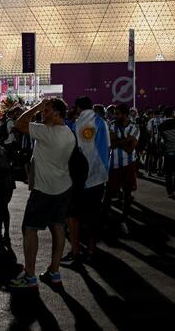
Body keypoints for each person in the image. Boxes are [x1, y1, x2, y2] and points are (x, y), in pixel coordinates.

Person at [9, 99, 75, 288]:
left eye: (46, 111)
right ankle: (54, 272)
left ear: (57, 113)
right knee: (58, 227)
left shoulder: (47, 132)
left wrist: (37, 106)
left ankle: (30, 276)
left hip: (43, 190)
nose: (42, 114)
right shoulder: (69, 134)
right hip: (63, 187)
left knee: (30, 229)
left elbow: (19, 123)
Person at [61, 96, 109, 266]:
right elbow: (106, 148)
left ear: (78, 108)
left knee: (73, 216)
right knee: (93, 216)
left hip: (79, 177)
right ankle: (92, 249)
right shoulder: (102, 123)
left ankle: (75, 252)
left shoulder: (75, 124)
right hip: (99, 176)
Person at [106, 103, 140, 235]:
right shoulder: (112, 125)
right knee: (109, 193)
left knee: (127, 194)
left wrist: (117, 142)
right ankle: (106, 219)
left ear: (125, 114)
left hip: (128, 164)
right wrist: (125, 140)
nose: (115, 116)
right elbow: (114, 144)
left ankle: (123, 220)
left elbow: (130, 148)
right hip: (114, 163)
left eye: (117, 113)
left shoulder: (134, 127)